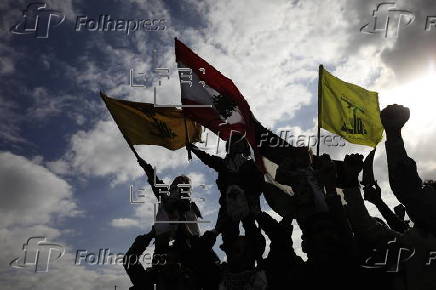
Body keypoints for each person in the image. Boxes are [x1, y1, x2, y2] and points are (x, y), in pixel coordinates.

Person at [188, 133, 264, 249]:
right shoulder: (223, 164)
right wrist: (194, 148)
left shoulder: (251, 165)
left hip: (249, 205)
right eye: (233, 144)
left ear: (245, 147)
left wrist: (252, 196)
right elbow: (208, 159)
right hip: (228, 207)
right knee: (229, 239)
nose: (236, 146)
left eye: (239, 143)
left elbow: (259, 183)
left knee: (253, 236)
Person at [136, 155, 202, 254]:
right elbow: (155, 181)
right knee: (160, 260)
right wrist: (146, 166)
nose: (176, 185)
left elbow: (193, 231)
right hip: (163, 237)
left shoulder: (189, 205)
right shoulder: (165, 195)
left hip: (188, 241)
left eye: (182, 183)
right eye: (175, 183)